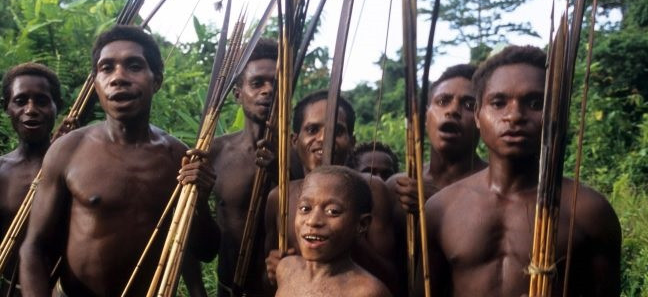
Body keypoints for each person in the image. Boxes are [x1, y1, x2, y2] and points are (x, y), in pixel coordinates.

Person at [18, 25, 219, 297]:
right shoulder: (68, 150)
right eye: (107, 68)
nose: (118, 78)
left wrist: (202, 201)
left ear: (156, 80)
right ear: (95, 82)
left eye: (134, 66)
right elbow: (34, 247)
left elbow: (206, 251)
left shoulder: (177, 158)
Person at [426, 45, 621, 296]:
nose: (515, 116)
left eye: (535, 103)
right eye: (498, 103)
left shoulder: (588, 212)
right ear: (477, 115)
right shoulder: (441, 209)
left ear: (556, 114)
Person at [263, 90, 397, 292]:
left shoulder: (371, 188)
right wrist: (277, 268)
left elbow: (392, 277)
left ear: (352, 142)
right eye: (312, 129)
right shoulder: (280, 196)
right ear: (294, 140)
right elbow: (265, 278)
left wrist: (347, 233)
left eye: (338, 131)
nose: (324, 138)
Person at [0, 63, 62, 296]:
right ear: (6, 107)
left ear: (58, 107)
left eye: (42, 101)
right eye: (20, 100)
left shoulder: (74, 168)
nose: (31, 109)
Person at [208, 39, 277, 296]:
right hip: (228, 288)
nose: (268, 91)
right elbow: (187, 230)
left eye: (276, 84)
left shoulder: (298, 154)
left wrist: (282, 176)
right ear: (238, 93)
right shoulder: (216, 152)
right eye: (257, 83)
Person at [274, 166, 391, 297]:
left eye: (332, 211)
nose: (313, 221)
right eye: (305, 208)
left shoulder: (367, 292)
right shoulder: (286, 269)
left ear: (361, 224)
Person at [387, 64, 486, 213]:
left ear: (482, 118)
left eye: (469, 104)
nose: (452, 110)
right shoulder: (397, 188)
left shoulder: (498, 189)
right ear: (425, 117)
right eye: (442, 101)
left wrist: (439, 203)